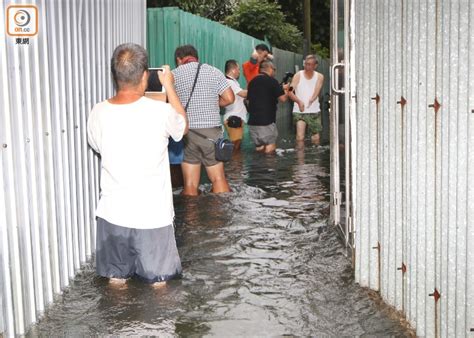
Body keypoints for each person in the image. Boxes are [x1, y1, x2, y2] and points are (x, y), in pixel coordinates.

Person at [87, 43, 187, 286]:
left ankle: (117, 324)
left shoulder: (98, 112)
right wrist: (169, 86)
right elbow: (181, 127)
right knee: (159, 284)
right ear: (145, 75)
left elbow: (97, 147)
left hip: (112, 214)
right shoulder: (160, 112)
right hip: (152, 216)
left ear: (115, 76)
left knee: (116, 282)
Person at [172, 45, 234, 196]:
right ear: (196, 58)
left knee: (190, 184)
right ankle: (219, 217)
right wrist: (213, 103)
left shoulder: (173, 75)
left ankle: (191, 217)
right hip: (210, 133)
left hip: (187, 133)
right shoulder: (213, 71)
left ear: (179, 60)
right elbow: (230, 98)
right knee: (218, 179)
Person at [247, 60, 289, 153]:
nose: (274, 71)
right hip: (266, 123)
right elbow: (283, 99)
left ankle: (259, 168)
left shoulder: (252, 82)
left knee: (259, 150)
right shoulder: (272, 81)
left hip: (252, 123)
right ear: (269, 68)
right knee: (270, 151)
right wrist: (287, 90)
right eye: (274, 69)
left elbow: (249, 101)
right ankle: (268, 167)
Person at [288, 54, 324, 144]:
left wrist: (312, 99)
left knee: (316, 137)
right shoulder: (298, 75)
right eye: (306, 64)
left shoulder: (320, 76)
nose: (306, 66)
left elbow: (317, 89)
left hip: (314, 110)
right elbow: (290, 90)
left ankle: (315, 157)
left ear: (315, 66)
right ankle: (300, 157)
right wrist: (299, 101)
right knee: (300, 137)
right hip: (299, 111)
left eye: (309, 64)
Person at [223, 59, 247, 151]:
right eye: (239, 69)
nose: (239, 71)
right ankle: (234, 165)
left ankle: (235, 164)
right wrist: (257, 89)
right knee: (235, 147)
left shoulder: (233, 82)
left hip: (236, 117)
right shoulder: (229, 82)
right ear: (233, 70)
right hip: (233, 118)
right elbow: (243, 94)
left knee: (237, 145)